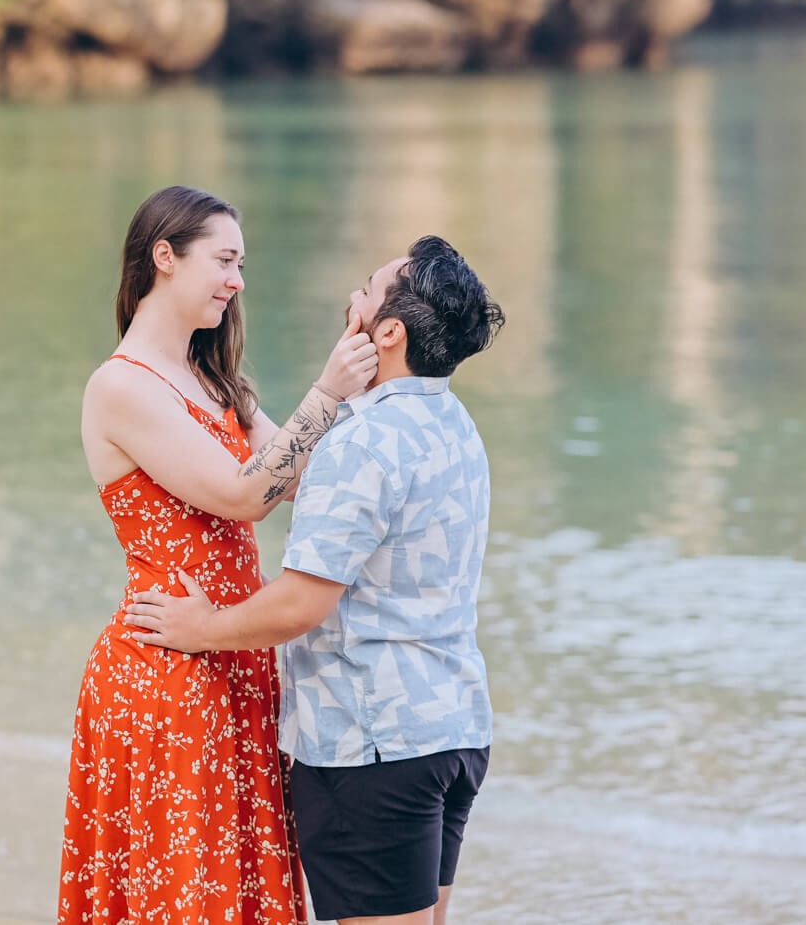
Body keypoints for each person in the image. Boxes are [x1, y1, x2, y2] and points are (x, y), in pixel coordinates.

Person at [125, 237, 505, 925]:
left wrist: (202, 627)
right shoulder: (453, 424)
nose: (352, 297)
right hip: (452, 729)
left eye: (367, 287)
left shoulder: (364, 441)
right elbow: (298, 479)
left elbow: (303, 600)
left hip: (371, 744)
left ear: (386, 331)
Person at [58, 185, 380, 925]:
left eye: (242, 263)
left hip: (234, 655)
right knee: (184, 893)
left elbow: (299, 478)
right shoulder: (119, 386)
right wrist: (327, 389)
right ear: (164, 257)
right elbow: (243, 494)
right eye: (225, 260)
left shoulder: (211, 378)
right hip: (167, 666)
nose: (237, 281)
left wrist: (380, 382)